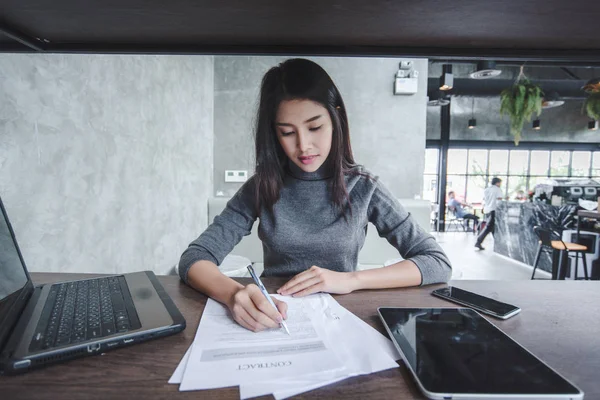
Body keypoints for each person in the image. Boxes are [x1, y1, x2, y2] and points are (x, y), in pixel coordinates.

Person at [178, 58, 452, 332]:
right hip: (275, 318)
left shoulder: (364, 187)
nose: (303, 146)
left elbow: (436, 262)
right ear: (274, 134)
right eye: (287, 132)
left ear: (336, 118)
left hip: (340, 320)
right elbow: (195, 257)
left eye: (315, 127)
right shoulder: (261, 187)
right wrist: (233, 294)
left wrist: (351, 279)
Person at [475, 177, 504, 250]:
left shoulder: (487, 189)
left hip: (487, 210)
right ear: (497, 183)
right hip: (493, 210)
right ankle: (478, 242)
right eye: (500, 183)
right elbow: (499, 199)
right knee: (489, 227)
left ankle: (498, 244)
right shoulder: (497, 189)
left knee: (493, 227)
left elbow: (484, 200)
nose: (500, 184)